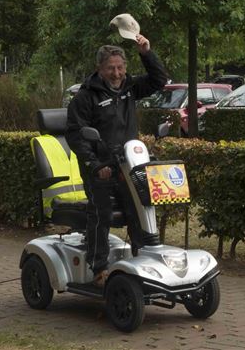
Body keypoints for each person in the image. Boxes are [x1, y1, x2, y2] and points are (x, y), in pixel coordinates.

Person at [65, 36, 168, 287]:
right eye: (111, 68)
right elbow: (76, 135)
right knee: (102, 211)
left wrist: (146, 53)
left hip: (129, 164)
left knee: (139, 209)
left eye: (120, 67)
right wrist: (95, 164)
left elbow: (159, 80)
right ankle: (98, 268)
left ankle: (142, 260)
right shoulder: (85, 97)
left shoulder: (129, 87)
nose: (117, 73)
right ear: (100, 68)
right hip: (100, 168)